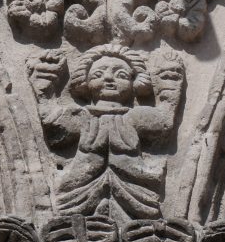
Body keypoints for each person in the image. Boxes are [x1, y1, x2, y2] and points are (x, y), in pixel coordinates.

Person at [28, 45, 184, 222]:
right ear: (84, 81)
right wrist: (45, 88)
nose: (109, 78)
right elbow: (53, 121)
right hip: (80, 193)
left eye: (121, 75)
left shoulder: (135, 117)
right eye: (98, 74)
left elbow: (164, 121)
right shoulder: (82, 116)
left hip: (135, 192)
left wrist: (169, 83)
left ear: (135, 82)